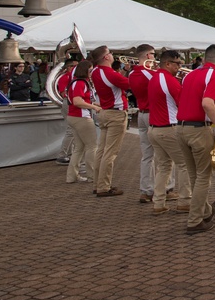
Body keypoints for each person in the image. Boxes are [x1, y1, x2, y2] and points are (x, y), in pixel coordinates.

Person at [177, 44, 215, 234]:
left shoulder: (190, 75)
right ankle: (195, 220)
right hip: (198, 129)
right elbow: (207, 103)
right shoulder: (214, 75)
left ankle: (206, 211)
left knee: (194, 175)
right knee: (203, 177)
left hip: (181, 127)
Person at [146, 50, 191, 215]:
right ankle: (185, 201)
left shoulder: (154, 78)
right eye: (177, 63)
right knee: (185, 164)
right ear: (167, 64)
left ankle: (158, 203)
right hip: (168, 127)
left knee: (163, 167)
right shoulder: (169, 80)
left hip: (154, 128)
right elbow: (182, 103)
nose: (180, 67)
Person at [90, 45, 131, 197]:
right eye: (110, 53)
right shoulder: (109, 73)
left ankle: (97, 183)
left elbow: (114, 80)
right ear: (106, 57)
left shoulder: (95, 71)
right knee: (110, 153)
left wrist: (124, 71)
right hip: (116, 114)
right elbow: (128, 84)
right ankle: (104, 186)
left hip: (105, 111)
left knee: (101, 150)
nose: (112, 55)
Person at [127, 44, 158, 204]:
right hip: (154, 114)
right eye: (153, 54)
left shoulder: (132, 73)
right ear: (147, 56)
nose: (154, 57)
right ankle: (167, 188)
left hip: (141, 113)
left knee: (147, 156)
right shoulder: (149, 73)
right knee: (165, 155)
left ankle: (146, 190)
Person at [64, 60, 101, 186]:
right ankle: (92, 175)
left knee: (79, 148)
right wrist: (93, 107)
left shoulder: (76, 82)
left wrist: (92, 104)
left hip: (74, 116)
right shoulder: (81, 83)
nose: (91, 73)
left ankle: (71, 176)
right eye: (90, 70)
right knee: (92, 146)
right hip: (81, 117)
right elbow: (77, 101)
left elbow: (79, 100)